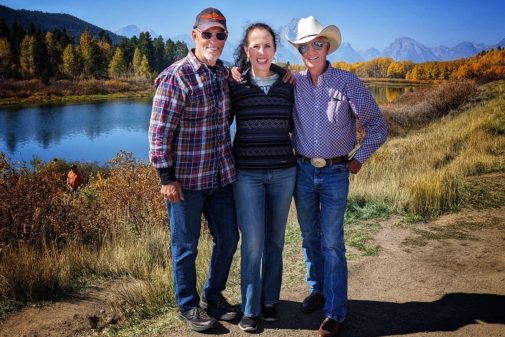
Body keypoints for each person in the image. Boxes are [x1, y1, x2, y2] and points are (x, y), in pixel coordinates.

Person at [287, 16, 388, 337]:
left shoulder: (348, 83)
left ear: (327, 46)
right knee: (308, 237)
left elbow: (377, 126)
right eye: (306, 46)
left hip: (334, 173)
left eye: (318, 43)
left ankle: (335, 312)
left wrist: (358, 160)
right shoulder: (294, 82)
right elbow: (260, 74)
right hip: (302, 170)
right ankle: (318, 289)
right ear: (300, 51)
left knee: (331, 243)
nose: (312, 50)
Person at [148, 7, 240, 332]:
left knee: (229, 238)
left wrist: (284, 73)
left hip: (219, 178)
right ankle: (188, 307)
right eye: (207, 34)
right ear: (194, 35)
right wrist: (165, 176)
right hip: (185, 183)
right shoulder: (176, 76)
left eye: (220, 34)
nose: (214, 40)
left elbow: (257, 70)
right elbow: (159, 132)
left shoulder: (222, 74)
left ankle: (213, 297)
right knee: (185, 247)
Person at [229, 23, 296, 332]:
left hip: (284, 172)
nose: (261, 51)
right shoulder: (236, 85)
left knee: (276, 242)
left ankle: (271, 300)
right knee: (253, 243)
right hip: (247, 176)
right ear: (246, 50)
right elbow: (219, 121)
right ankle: (250, 307)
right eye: (255, 46)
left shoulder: (288, 84)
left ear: (275, 50)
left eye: (267, 45)